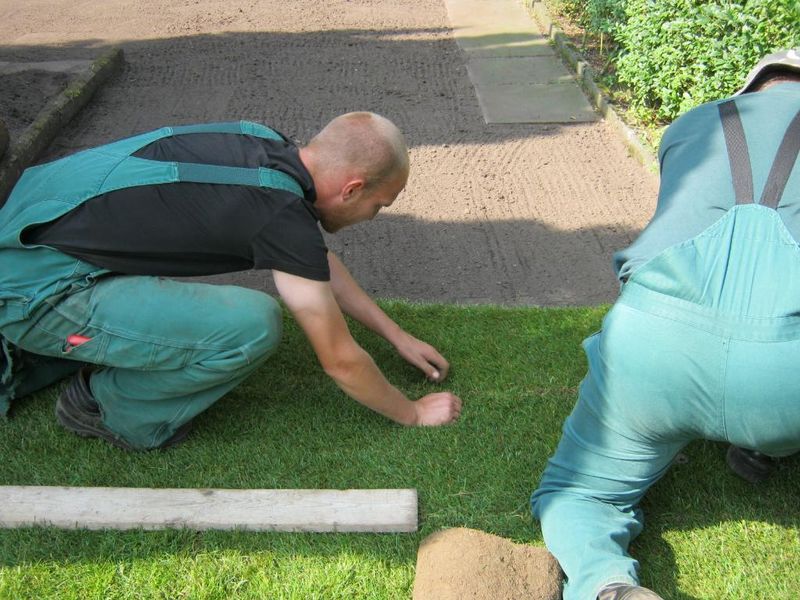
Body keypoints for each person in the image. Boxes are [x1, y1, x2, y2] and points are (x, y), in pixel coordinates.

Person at [0, 112, 462, 450]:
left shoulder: (267, 145)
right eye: (379, 205)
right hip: (34, 293)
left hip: (24, 233)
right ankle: (108, 408)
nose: (374, 216)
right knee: (251, 324)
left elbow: (312, 260)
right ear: (352, 188)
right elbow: (340, 361)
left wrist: (395, 334)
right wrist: (413, 412)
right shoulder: (280, 214)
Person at [530, 48, 800, 600]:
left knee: (577, 495)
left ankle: (608, 586)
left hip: (651, 346)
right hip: (787, 376)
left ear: (751, 89)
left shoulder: (697, 122)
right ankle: (769, 442)